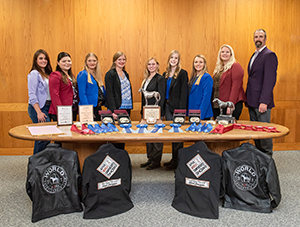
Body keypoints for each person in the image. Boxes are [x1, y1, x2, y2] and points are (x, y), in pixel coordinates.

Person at [246, 29, 278, 156]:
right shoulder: (255, 55)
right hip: (252, 101)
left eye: (261, 36)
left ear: (265, 39)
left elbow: (270, 80)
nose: (258, 39)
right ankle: (260, 160)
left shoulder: (269, 55)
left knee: (264, 134)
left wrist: (264, 101)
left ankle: (268, 160)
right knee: (256, 133)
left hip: (262, 103)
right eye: (256, 37)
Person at [163, 50, 188, 170]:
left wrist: (182, 111)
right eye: (171, 57)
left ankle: (178, 161)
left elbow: (184, 93)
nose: (173, 60)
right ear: (169, 59)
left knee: (178, 134)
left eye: (176, 58)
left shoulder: (183, 73)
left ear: (179, 60)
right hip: (167, 106)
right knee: (172, 134)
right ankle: (173, 159)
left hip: (177, 108)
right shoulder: (165, 74)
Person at [139, 57, 165, 170]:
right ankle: (150, 158)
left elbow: (161, 97)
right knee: (148, 136)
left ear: (158, 65)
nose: (151, 66)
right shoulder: (146, 79)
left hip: (155, 112)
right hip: (146, 112)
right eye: (149, 64)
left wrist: (160, 113)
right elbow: (143, 98)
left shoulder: (160, 78)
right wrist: (142, 112)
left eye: (153, 64)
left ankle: (156, 161)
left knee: (156, 136)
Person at [105, 51, 133, 150]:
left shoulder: (126, 74)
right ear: (114, 61)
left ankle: (121, 155)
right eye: (119, 59)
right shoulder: (110, 74)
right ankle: (115, 155)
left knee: (124, 133)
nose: (122, 61)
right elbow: (110, 93)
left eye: (123, 59)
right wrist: (113, 110)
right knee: (116, 134)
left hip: (127, 107)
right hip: (117, 107)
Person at [27, 49, 53, 154]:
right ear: (36, 60)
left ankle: (43, 162)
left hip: (48, 107)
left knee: (46, 138)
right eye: (41, 58)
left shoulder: (48, 73)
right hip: (38, 108)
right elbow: (32, 94)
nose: (43, 61)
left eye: (45, 58)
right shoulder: (34, 73)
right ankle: (36, 163)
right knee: (42, 137)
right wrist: (38, 112)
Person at [212, 44, 246, 119]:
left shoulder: (235, 66)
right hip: (218, 105)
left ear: (231, 54)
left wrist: (230, 105)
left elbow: (236, 87)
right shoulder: (219, 68)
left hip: (230, 104)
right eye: (222, 52)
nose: (225, 54)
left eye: (227, 52)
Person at [49, 52, 78, 121]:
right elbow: (54, 94)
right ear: (58, 63)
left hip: (72, 109)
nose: (67, 63)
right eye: (64, 61)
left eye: (69, 61)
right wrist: (61, 111)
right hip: (62, 111)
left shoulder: (71, 76)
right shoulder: (55, 75)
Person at [77, 53, 106, 121]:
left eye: (94, 61)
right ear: (86, 62)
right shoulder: (83, 74)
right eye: (89, 61)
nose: (92, 63)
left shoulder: (97, 75)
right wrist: (88, 110)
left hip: (97, 107)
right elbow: (82, 94)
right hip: (88, 108)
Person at [188, 55, 213, 120]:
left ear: (204, 64)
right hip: (193, 112)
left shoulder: (207, 77)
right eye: (196, 62)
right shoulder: (193, 77)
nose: (198, 64)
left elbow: (206, 98)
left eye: (201, 62)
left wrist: (200, 115)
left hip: (202, 113)